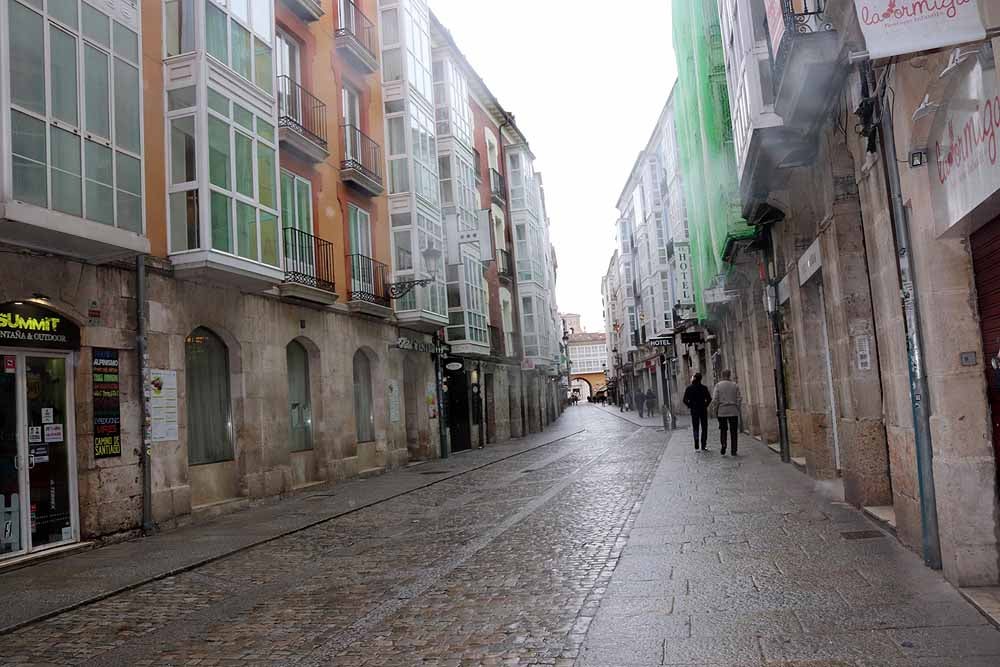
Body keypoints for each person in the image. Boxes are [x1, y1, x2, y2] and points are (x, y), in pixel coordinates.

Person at [713, 370, 742, 456]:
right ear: (729, 375)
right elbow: (739, 398)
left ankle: (724, 444)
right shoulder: (735, 385)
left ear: (722, 375)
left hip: (722, 411)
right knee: (733, 431)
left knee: (723, 430)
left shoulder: (718, 385)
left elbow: (715, 399)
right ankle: (734, 450)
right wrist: (737, 407)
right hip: (733, 411)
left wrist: (716, 410)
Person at [683, 373, 712, 451]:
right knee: (704, 427)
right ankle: (703, 445)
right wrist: (705, 405)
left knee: (695, 427)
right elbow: (709, 399)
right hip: (703, 409)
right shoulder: (704, 388)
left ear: (695, 378)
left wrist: (690, 405)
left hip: (694, 410)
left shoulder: (689, 388)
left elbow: (684, 400)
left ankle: (696, 443)